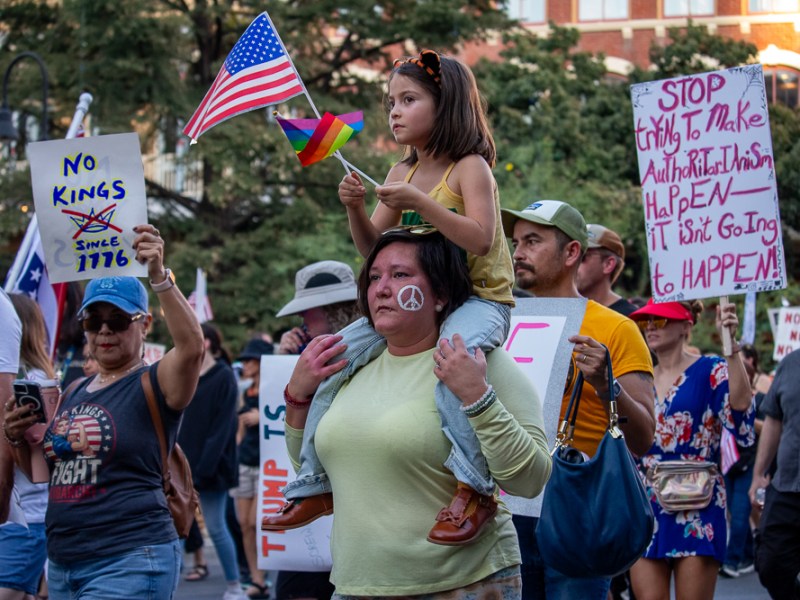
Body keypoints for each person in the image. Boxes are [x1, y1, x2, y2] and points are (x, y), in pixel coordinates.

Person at [265, 49, 516, 546]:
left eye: (408, 99)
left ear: (445, 107)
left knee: (450, 364)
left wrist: (422, 204)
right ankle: (316, 483)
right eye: (389, 103)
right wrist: (356, 209)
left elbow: (482, 239)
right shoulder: (399, 174)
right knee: (331, 357)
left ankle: (475, 489)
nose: (394, 112)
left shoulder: (470, 168)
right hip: (419, 301)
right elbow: (371, 249)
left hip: (481, 301)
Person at [278, 228, 551, 595]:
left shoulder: (479, 361)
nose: (382, 289)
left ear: (439, 293)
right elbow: (315, 468)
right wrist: (297, 395)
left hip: (464, 584)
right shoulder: (349, 368)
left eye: (400, 275)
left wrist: (477, 397)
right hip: (356, 587)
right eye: (374, 277)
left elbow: (530, 480)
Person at [3, 224, 204, 599]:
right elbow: (41, 471)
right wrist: (15, 434)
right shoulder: (74, 390)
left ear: (144, 324)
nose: (105, 331)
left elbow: (192, 347)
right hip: (64, 563)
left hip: (129, 558)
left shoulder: (155, 382)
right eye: (94, 321)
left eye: (118, 320)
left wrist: (159, 276)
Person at [501, 200, 656, 599]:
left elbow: (643, 438)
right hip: (504, 513)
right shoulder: (500, 321)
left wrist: (608, 388)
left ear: (572, 253)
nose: (518, 252)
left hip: (576, 510)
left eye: (533, 241)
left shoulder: (616, 328)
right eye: (516, 242)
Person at [628, 298, 754, 600]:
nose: (650, 327)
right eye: (647, 321)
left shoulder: (711, 369)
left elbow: (741, 410)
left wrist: (731, 346)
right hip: (649, 500)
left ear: (687, 325)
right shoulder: (639, 376)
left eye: (661, 320)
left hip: (699, 501)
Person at [273, 260, 361, 600]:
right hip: (315, 529)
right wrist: (283, 361)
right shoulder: (305, 354)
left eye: (307, 312)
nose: (302, 322)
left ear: (335, 312)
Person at [178, 322, 247, 599]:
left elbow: (222, 429)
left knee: (217, 527)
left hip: (212, 467)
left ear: (206, 342)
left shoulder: (223, 376)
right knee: (175, 528)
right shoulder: (188, 375)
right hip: (183, 465)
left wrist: (203, 469)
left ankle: (234, 586)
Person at [749, 347, 800, 600]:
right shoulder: (791, 363)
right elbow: (773, 420)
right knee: (771, 563)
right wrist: (759, 474)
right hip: (787, 483)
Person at [230, 337, 274, 599]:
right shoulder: (244, 392)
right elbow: (238, 429)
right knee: (244, 524)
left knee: (257, 522)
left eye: (250, 359)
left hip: (266, 463)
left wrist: (263, 417)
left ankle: (263, 577)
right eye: (244, 359)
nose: (245, 364)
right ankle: (257, 579)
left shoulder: (274, 389)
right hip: (244, 462)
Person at [577, 223, 638, 316]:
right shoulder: (558, 314)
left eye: (582, 257)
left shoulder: (631, 319)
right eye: (570, 254)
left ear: (608, 264)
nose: (572, 262)